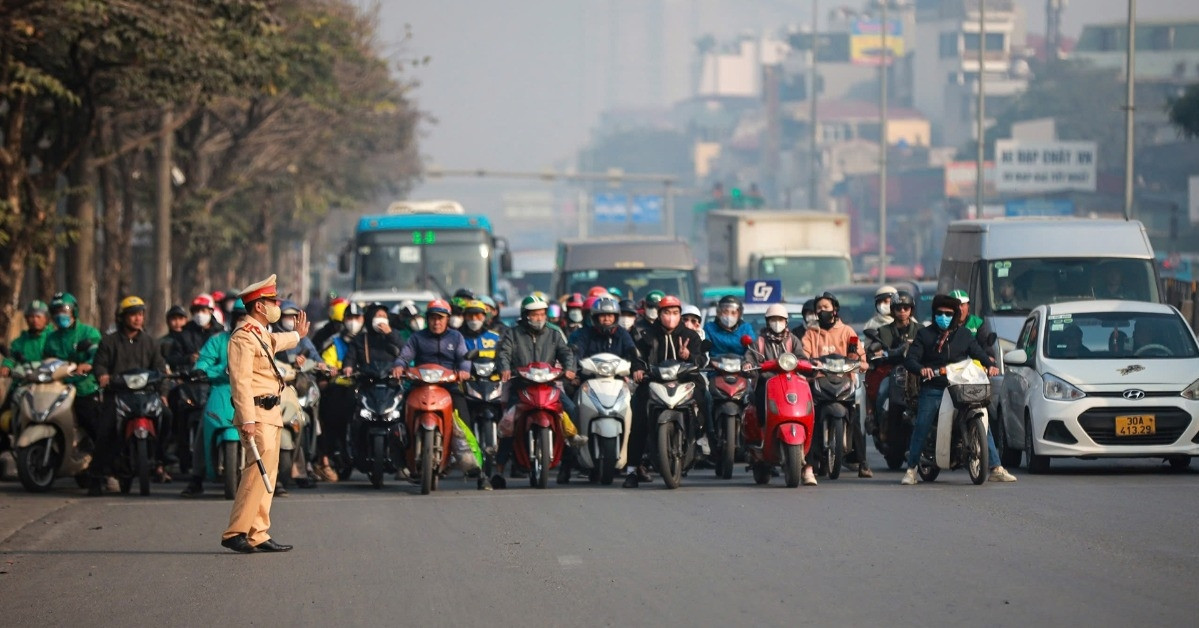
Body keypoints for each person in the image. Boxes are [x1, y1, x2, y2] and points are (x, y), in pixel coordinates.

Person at [221, 275, 307, 553]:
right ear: (259, 306)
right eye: (272, 301)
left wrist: (297, 336)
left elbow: (276, 341)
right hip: (255, 414)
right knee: (256, 474)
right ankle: (235, 532)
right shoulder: (242, 337)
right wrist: (246, 418)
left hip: (269, 412)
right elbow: (240, 381)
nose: (276, 305)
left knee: (267, 475)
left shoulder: (259, 334)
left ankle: (258, 532)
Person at [900, 295, 1016, 485]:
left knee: (982, 421)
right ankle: (911, 469)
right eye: (939, 313)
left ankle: (995, 468)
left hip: (961, 387)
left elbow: (978, 352)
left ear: (955, 315)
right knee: (922, 424)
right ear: (934, 314)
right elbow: (911, 359)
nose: (943, 317)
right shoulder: (924, 335)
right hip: (934, 387)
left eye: (948, 314)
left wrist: (990, 364)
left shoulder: (964, 335)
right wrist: (922, 369)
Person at [495, 295, 576, 488]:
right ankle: (499, 470)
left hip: (548, 386)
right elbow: (503, 353)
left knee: (571, 410)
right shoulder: (512, 334)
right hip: (521, 386)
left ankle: (567, 464)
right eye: (534, 314)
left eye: (541, 314)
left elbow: (566, 353)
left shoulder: (554, 334)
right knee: (509, 423)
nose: (539, 318)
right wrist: (505, 368)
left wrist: (569, 368)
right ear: (525, 316)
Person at [90, 296, 168, 495]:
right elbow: (99, 364)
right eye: (133, 315)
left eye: (140, 314)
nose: (137, 319)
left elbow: (160, 369)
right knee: (105, 430)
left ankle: (161, 462)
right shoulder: (109, 342)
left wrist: (164, 393)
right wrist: (103, 375)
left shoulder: (151, 343)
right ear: (122, 317)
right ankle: (97, 477)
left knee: (167, 417)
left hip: (146, 395)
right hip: (118, 395)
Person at [625, 295, 704, 488]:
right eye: (666, 312)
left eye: (675, 313)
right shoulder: (646, 334)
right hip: (653, 381)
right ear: (659, 314)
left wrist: (689, 356)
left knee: (704, 397)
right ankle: (632, 469)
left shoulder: (690, 335)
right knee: (638, 420)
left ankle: (702, 439)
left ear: (680, 315)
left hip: (684, 380)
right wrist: (637, 369)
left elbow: (701, 359)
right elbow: (637, 356)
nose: (671, 317)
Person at [392, 299, 474, 477]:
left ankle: (471, 464)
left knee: (465, 420)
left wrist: (464, 371)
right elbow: (405, 355)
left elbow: (463, 358)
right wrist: (399, 366)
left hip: (449, 386)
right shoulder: (417, 338)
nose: (437, 322)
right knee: (397, 418)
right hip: (420, 385)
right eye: (433, 318)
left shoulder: (456, 337)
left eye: (441, 318)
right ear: (427, 319)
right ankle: (400, 462)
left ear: (447, 320)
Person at [181, 300, 247, 497]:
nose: (243, 321)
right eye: (240, 317)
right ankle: (197, 477)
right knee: (205, 425)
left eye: (247, 316)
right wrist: (202, 370)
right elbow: (204, 361)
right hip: (222, 388)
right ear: (233, 318)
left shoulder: (262, 340)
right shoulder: (218, 340)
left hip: (254, 391)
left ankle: (274, 476)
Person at [801, 292, 871, 478]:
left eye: (826, 307)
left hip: (844, 381)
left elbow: (859, 358)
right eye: (819, 308)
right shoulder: (811, 333)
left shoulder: (847, 332)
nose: (822, 311)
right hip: (819, 381)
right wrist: (808, 364)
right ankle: (810, 462)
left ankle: (862, 463)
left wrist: (859, 361)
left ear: (835, 309)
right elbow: (804, 355)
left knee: (854, 417)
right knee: (811, 418)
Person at [747, 303, 816, 485]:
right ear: (768, 322)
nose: (776, 323)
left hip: (791, 382)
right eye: (773, 320)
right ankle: (763, 434)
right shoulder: (759, 342)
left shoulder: (793, 340)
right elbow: (750, 359)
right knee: (760, 398)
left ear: (786, 322)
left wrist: (808, 365)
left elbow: (802, 358)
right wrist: (749, 366)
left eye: (780, 320)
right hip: (768, 382)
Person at [41, 293, 103, 482]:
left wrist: (88, 364)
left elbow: (97, 353)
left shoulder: (88, 332)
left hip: (84, 386)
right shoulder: (51, 338)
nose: (61, 315)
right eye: (57, 311)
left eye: (64, 310)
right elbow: (46, 361)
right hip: (59, 386)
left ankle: (105, 468)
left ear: (74, 311)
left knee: (92, 423)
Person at [314, 302, 363, 481]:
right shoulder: (334, 342)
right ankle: (325, 459)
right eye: (349, 318)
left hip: (365, 388)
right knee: (330, 417)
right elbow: (325, 364)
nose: (353, 322)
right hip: (341, 389)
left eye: (357, 318)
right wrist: (331, 370)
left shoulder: (367, 341)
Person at [868, 291, 920, 436]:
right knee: (881, 393)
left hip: (917, 373)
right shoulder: (883, 330)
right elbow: (873, 351)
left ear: (911, 309)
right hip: (891, 372)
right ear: (893, 310)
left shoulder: (921, 329)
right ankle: (879, 424)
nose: (902, 311)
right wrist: (879, 353)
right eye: (898, 308)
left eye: (906, 308)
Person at [344, 303, 406, 375]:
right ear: (371, 318)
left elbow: (404, 351)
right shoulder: (360, 338)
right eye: (379, 316)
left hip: (390, 376)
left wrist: (390, 333)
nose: (382, 319)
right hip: (367, 378)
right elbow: (351, 357)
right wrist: (348, 366)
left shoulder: (395, 334)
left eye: (384, 316)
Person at [1, 301, 53, 377]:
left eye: (38, 316)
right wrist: (6, 366)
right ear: (26, 319)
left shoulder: (54, 338)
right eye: (32, 316)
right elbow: (11, 357)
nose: (35, 320)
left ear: (46, 319)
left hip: (50, 379)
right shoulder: (19, 342)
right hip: (24, 380)